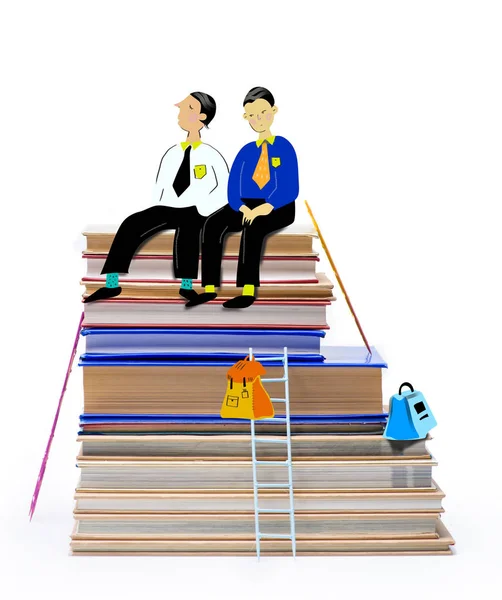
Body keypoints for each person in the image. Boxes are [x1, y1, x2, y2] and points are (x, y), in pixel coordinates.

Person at [84, 92, 229, 304]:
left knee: (189, 231)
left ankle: (186, 286)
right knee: (132, 222)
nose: (180, 112)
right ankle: (111, 283)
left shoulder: (211, 155)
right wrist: (161, 205)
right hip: (170, 205)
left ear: (202, 117)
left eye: (188, 108)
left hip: (197, 208)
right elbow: (161, 184)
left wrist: (203, 208)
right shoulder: (172, 153)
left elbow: (222, 187)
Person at [186, 86, 299, 309]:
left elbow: (289, 185)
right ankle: (209, 287)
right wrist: (243, 207)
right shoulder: (246, 151)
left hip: (278, 204)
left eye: (262, 113)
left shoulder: (284, 147)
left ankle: (247, 291)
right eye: (252, 115)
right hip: (247, 203)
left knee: (254, 228)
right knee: (212, 224)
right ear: (245, 117)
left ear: (273, 110)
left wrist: (266, 206)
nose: (258, 119)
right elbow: (233, 187)